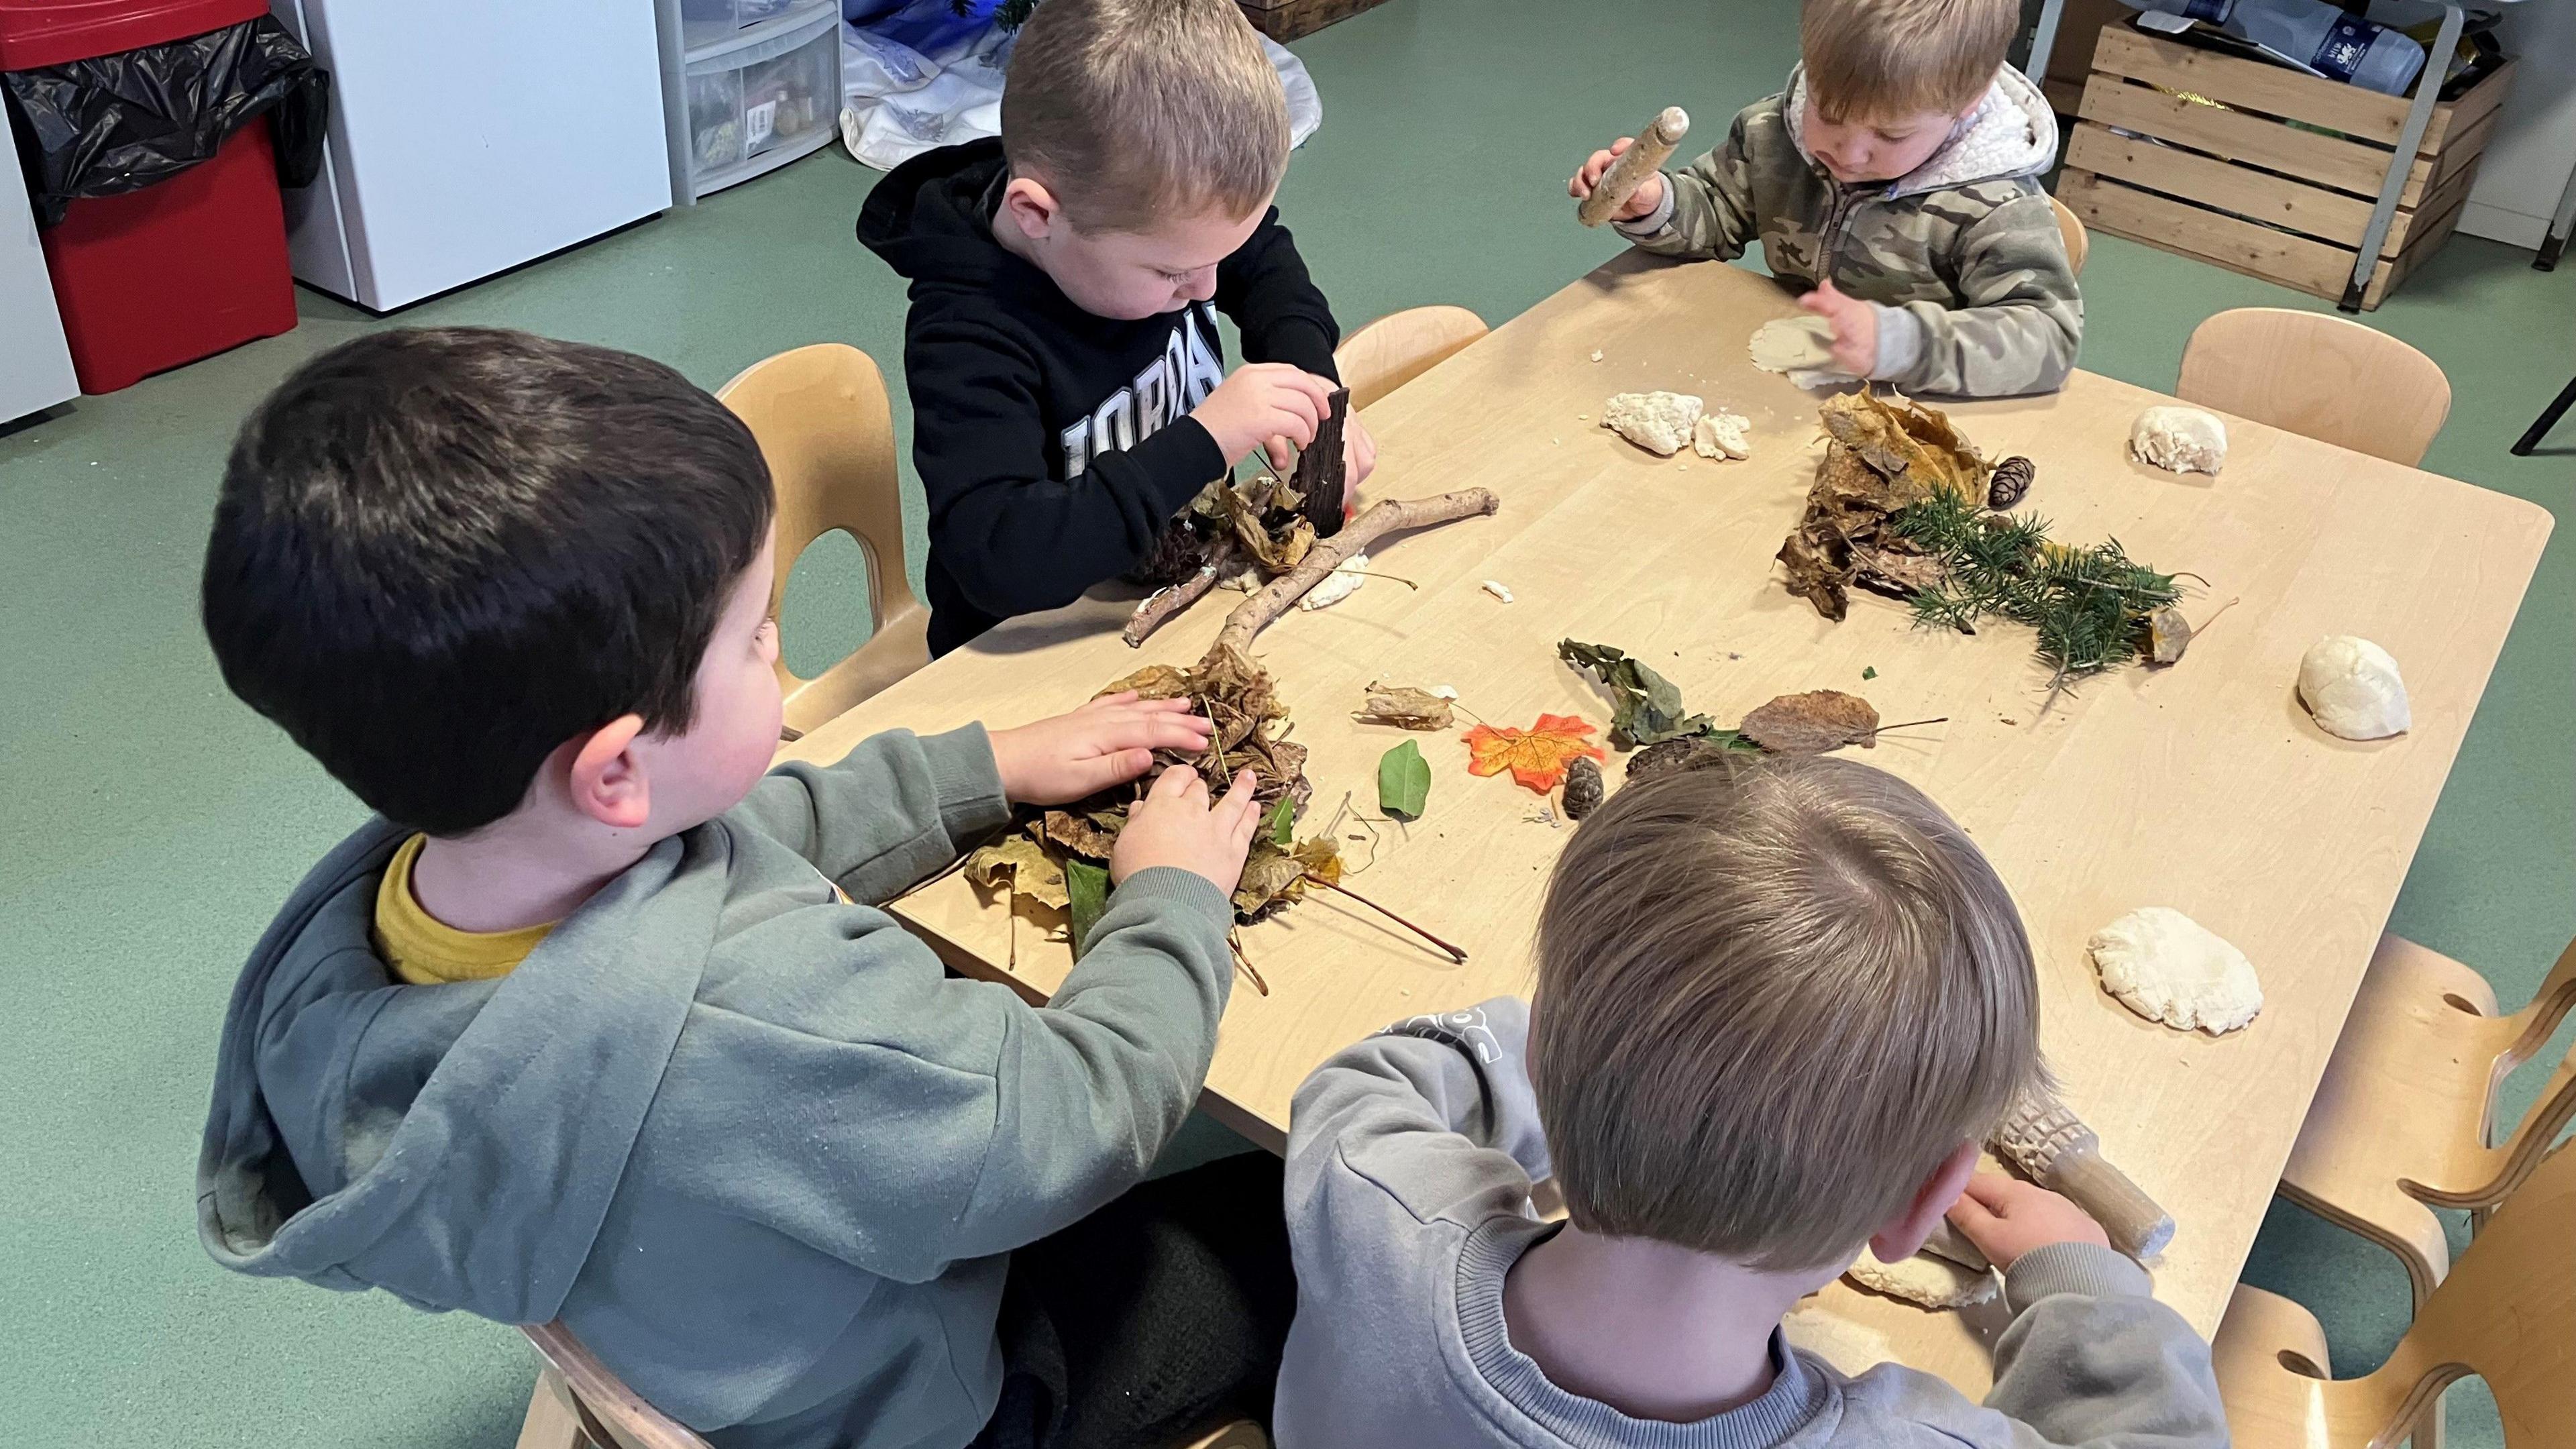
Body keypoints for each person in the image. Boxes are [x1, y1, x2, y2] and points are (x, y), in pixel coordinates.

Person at [195, 328, 1293, 1449]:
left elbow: (727, 840)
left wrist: (987, 767)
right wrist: (1170, 899)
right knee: (1294, 1225)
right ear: (618, 769)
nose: (777, 646)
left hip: (706, 1329)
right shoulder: (768, 1020)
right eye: (755, 633)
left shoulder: (408, 898)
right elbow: (1075, 1123)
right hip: (922, 1404)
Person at [1273, 757, 2229, 1449]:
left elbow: (1374, 1076)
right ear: (1918, 1205)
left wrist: (1613, 1036)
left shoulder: (1369, 1200)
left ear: (1545, 1051)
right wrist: (2081, 1283)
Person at [857, 0, 1373, 657]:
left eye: (1216, 258)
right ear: (1036, 215)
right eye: (1172, 272)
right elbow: (1001, 561)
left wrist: (1310, 379)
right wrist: (1207, 439)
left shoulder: (1159, 218)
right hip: (1034, 657)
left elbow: (1265, 260)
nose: (1208, 289)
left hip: (1174, 605)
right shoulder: (966, 336)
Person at [1568, 0, 2082, 398]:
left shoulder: (1997, 207)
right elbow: (1716, 208)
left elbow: (2046, 338)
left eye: (1892, 136)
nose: (1850, 153)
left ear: (1967, 105)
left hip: (1911, 419)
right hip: (1780, 391)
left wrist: (1899, 343)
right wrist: (1656, 203)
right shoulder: (1774, 131)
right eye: (1829, 114)